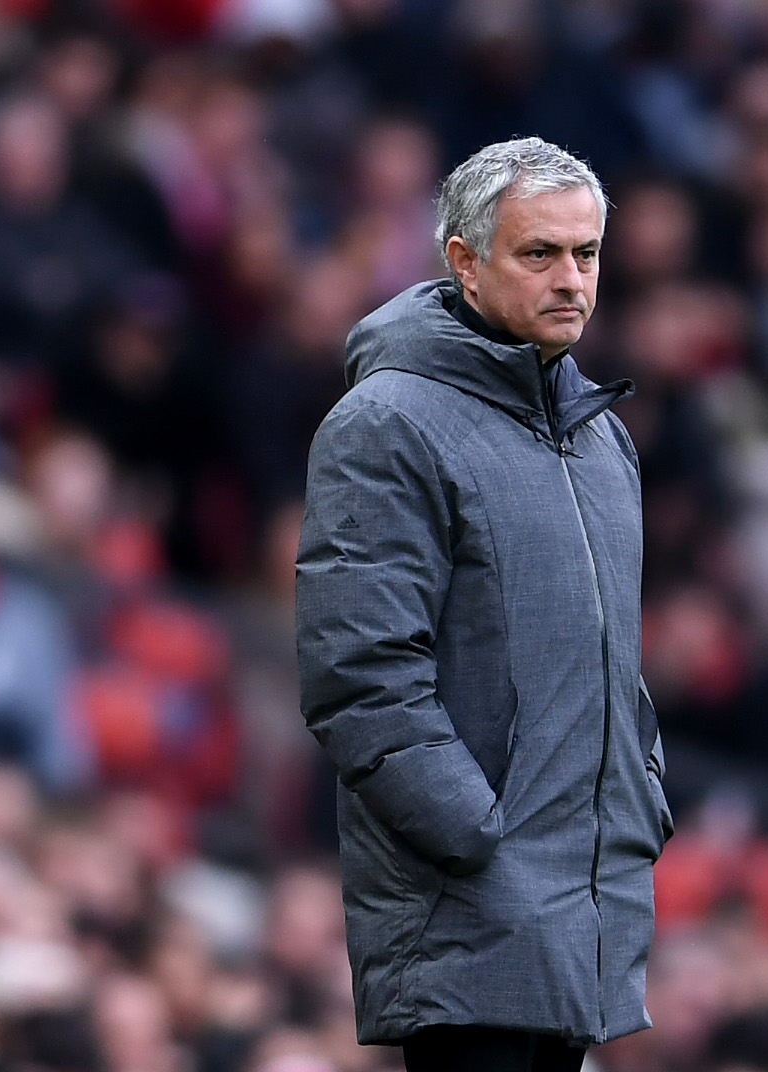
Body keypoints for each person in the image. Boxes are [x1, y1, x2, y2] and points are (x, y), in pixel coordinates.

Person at [295, 137, 672, 1072]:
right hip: (472, 904)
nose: (571, 278)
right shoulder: (386, 422)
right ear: (464, 262)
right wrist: (477, 836)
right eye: (538, 253)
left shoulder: (602, 442)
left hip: (578, 904)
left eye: (585, 254)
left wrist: (641, 791)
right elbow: (360, 675)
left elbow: (612, 661)